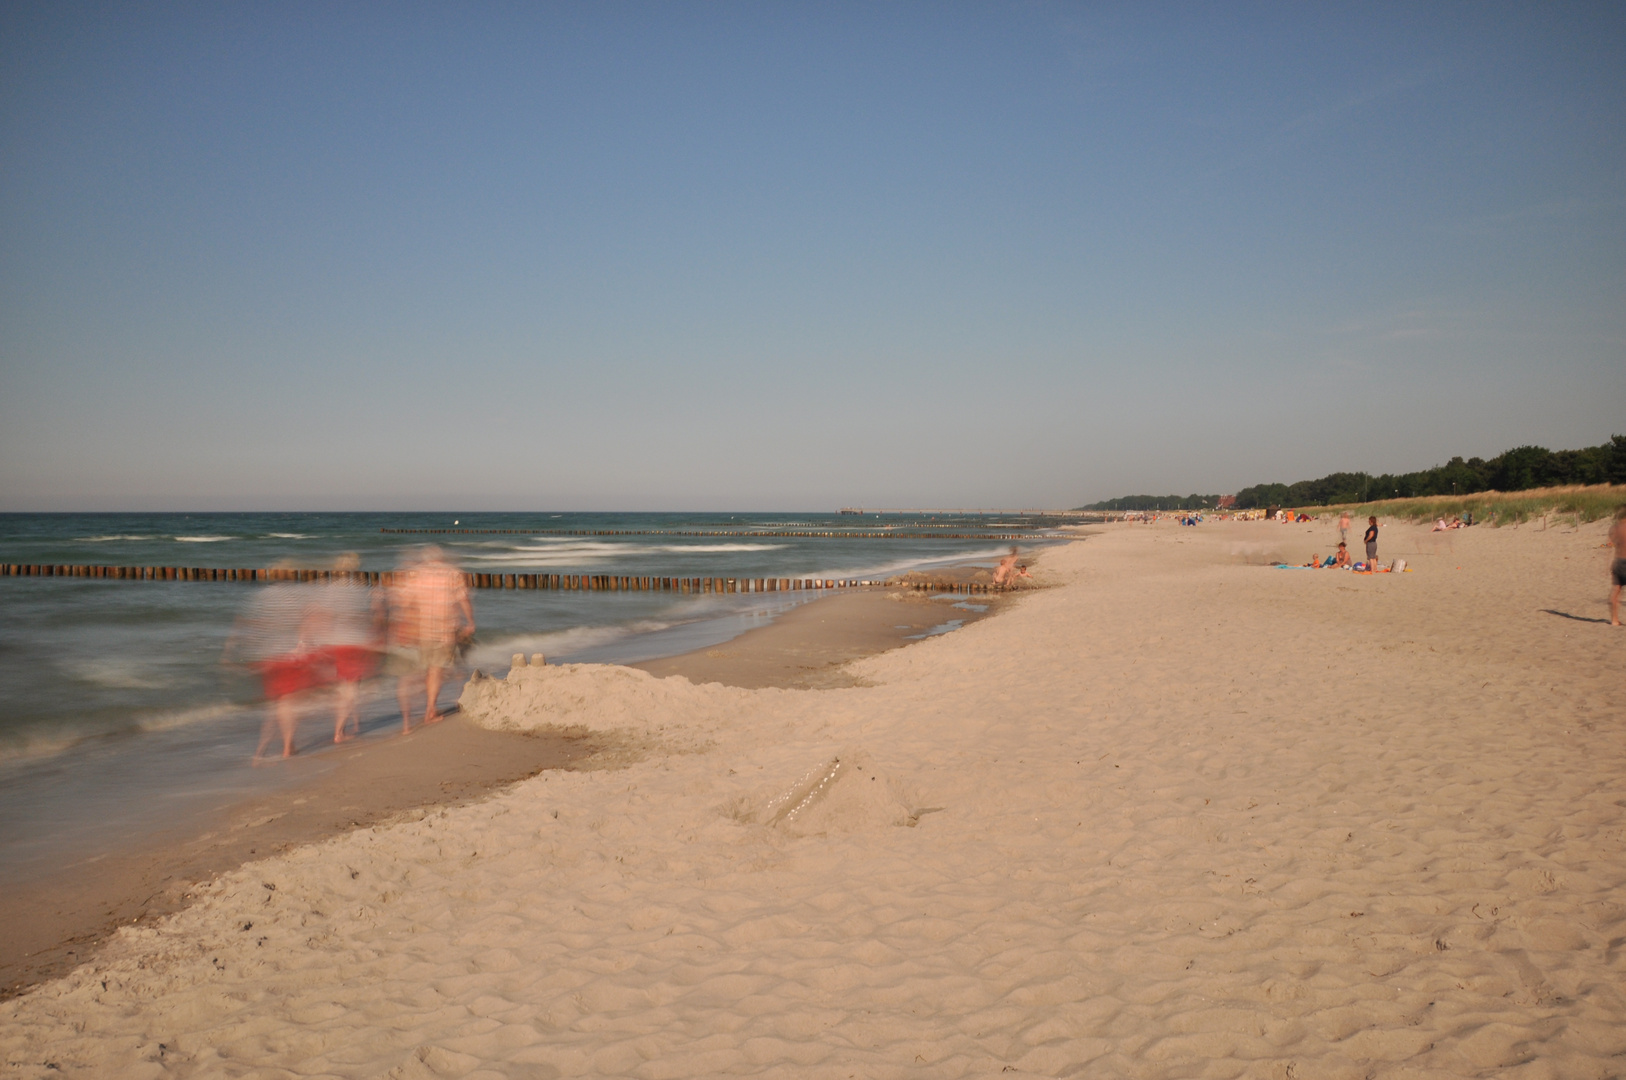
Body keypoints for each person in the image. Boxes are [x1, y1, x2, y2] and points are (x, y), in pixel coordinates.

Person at [224, 562, 320, 760]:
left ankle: (262, 750)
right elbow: (309, 621)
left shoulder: (261, 596)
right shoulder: (298, 595)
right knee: (289, 702)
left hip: (265, 656)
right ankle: (287, 747)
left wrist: (230, 650)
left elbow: (244, 623)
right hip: (288, 656)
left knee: (274, 703)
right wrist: (307, 644)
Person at [390, 546, 476, 732]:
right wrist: (470, 621)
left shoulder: (416, 574)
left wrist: (401, 626)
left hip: (422, 630)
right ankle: (430, 710)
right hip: (444, 630)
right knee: (436, 669)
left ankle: (418, 710)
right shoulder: (453, 574)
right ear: (442, 558)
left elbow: (404, 602)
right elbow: (463, 599)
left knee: (427, 668)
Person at [314, 553, 383, 743]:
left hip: (337, 642)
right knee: (352, 688)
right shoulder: (362, 590)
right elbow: (372, 615)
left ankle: (346, 722)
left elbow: (325, 617)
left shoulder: (331, 590)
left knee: (342, 686)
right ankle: (339, 732)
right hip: (357, 643)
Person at [1609, 505, 1626, 627]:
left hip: (1617, 561)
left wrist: (1606, 566)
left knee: (1616, 591)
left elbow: (1610, 545)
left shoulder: (1614, 528)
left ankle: (1614, 620)